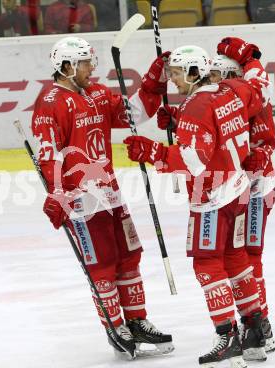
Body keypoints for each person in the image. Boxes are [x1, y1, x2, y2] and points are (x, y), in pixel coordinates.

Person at [124, 45, 268, 367]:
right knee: (235, 259)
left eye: (176, 73)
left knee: (206, 264)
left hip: (211, 197)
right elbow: (247, 103)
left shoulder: (195, 107)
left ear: (193, 73)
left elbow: (194, 163)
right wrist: (178, 119)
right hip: (239, 189)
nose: (172, 80)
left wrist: (152, 152)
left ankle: (227, 337)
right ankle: (254, 331)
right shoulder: (231, 91)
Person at [31, 36, 174, 359]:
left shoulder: (95, 93)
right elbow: (48, 152)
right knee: (103, 263)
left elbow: (130, 115)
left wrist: (153, 83)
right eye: (85, 63)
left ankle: (136, 320)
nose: (91, 68)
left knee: (128, 256)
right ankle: (115, 325)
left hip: (109, 191)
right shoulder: (51, 101)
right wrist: (57, 193)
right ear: (66, 66)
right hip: (81, 198)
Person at [214, 37, 275, 354]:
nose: (213, 83)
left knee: (249, 254)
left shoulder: (250, 91)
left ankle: (260, 325)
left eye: (219, 77)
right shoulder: (225, 98)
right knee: (237, 255)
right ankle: (254, 321)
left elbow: (259, 85)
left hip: (259, 183)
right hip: (236, 184)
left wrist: (252, 57)